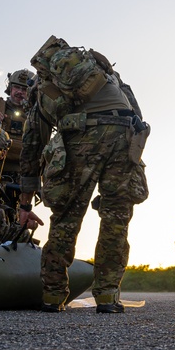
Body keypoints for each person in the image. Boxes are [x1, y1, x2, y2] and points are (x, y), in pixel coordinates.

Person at [19, 37, 150, 314]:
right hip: (124, 135)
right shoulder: (104, 71)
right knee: (116, 219)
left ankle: (53, 296)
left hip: (84, 139)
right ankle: (107, 296)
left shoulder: (45, 90)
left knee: (67, 217)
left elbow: (32, 148)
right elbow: (136, 110)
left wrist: (25, 201)